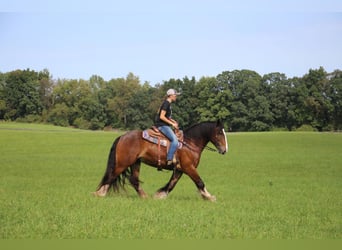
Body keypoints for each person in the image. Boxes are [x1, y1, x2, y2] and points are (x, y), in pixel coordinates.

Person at [154, 88, 181, 168]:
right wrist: (172, 124)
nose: (176, 96)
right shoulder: (166, 104)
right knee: (175, 140)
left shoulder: (168, 104)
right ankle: (169, 159)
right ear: (170, 95)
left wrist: (173, 121)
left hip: (164, 124)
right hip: (162, 125)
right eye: (175, 95)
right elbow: (162, 117)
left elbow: (166, 116)